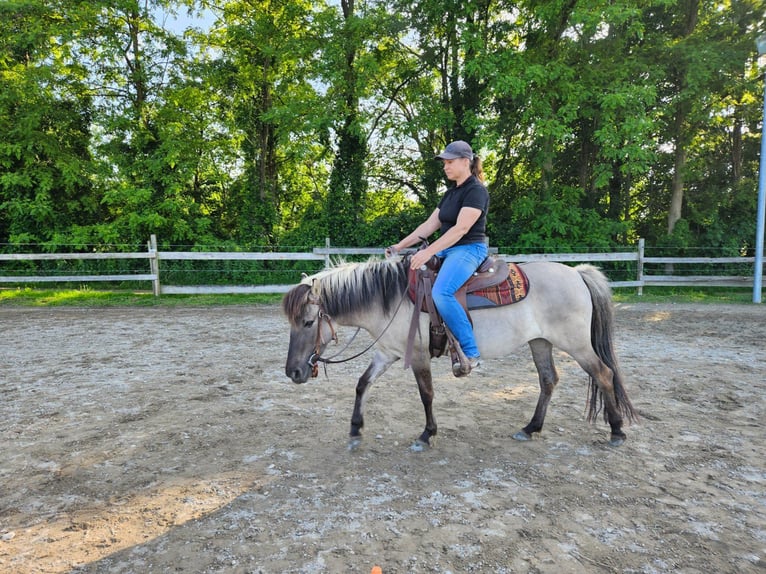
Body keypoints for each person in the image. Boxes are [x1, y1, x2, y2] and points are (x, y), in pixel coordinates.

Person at [386, 140, 489, 376]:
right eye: (444, 163)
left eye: (450, 162)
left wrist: (429, 251)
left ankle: (471, 353)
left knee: (441, 292)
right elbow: (430, 224)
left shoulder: (476, 190)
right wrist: (400, 246)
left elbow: (461, 229)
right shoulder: (451, 193)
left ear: (466, 162)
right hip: (448, 248)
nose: (445, 167)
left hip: (468, 248)